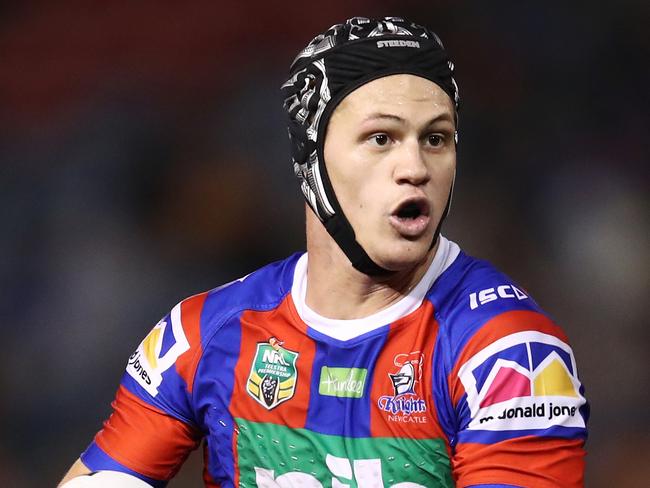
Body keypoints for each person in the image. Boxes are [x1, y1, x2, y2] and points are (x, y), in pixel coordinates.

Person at [59, 16, 588, 488]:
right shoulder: (205, 334)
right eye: (381, 138)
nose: (415, 167)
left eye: (436, 139)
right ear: (310, 157)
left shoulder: (510, 354)